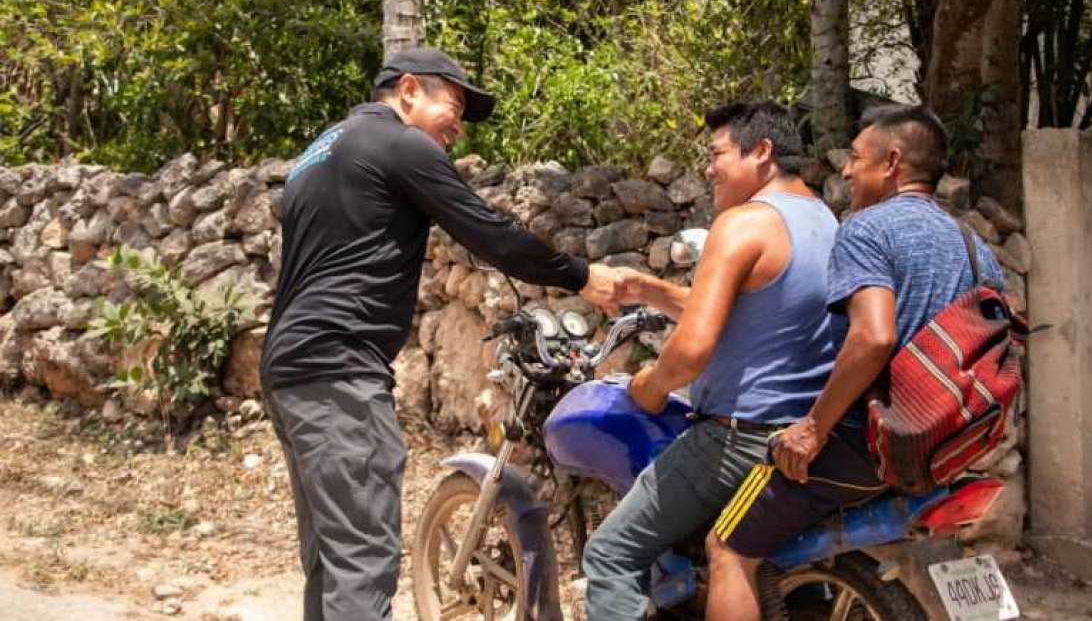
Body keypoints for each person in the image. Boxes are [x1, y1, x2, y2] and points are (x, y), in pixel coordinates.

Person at [259, 46, 619, 621]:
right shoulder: (399, 144)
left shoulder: (319, 151)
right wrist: (583, 276)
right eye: (452, 105)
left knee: (331, 555)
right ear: (407, 91)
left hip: (289, 368)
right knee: (363, 555)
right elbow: (489, 234)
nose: (457, 127)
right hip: (340, 367)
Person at [703, 105, 1003, 621]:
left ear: (891, 163)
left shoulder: (868, 229)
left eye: (856, 159)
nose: (844, 171)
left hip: (868, 444)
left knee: (727, 547)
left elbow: (872, 336)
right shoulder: (973, 244)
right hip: (949, 441)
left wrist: (813, 429)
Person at [581, 100, 848, 621]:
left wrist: (651, 386)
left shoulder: (743, 222)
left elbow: (691, 351)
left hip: (739, 437)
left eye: (717, 154)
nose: (707, 168)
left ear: (763, 152)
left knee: (611, 553)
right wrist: (655, 291)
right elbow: (761, 309)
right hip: (811, 431)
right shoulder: (824, 219)